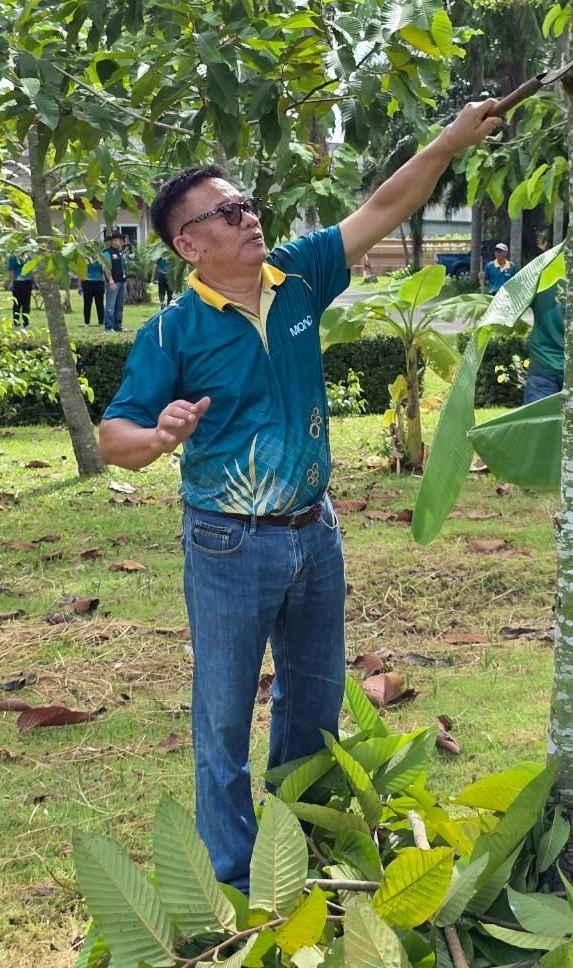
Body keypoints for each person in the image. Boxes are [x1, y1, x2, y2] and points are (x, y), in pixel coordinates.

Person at [97, 98, 501, 893]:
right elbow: (116, 436)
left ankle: (303, 846)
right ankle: (239, 879)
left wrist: (451, 139)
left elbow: (386, 204)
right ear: (190, 243)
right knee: (221, 718)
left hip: (314, 532)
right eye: (228, 211)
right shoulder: (173, 332)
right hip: (227, 543)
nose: (250, 217)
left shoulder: (302, 273)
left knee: (312, 702)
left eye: (247, 203)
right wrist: (160, 436)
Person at [102, 233, 127, 332]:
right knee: (110, 305)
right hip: (113, 282)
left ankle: (118, 325)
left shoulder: (120, 252)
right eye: (119, 239)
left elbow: (123, 267)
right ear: (112, 241)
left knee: (119, 306)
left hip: (122, 281)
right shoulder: (107, 253)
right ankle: (108, 327)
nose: (121, 241)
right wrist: (110, 280)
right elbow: (107, 268)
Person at [7, 250, 33, 327]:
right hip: (17, 282)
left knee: (26, 304)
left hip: (27, 282)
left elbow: (31, 270)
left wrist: (34, 281)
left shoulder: (29, 257)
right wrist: (12, 283)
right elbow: (11, 270)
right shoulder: (13, 257)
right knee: (17, 304)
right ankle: (16, 323)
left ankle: (26, 323)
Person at [80, 254, 106, 326]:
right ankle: (86, 322)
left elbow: (105, 271)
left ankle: (101, 321)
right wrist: (79, 286)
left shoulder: (101, 259)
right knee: (87, 303)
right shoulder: (86, 259)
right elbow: (81, 273)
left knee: (100, 303)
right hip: (87, 282)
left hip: (99, 282)